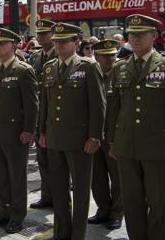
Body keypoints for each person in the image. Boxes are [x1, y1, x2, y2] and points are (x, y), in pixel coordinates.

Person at [38, 22, 106, 240]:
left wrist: (95, 136)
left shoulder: (87, 66)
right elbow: (45, 104)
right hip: (54, 138)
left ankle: (77, 235)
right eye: (56, 40)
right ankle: (61, 232)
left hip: (80, 140)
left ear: (76, 42)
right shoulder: (49, 67)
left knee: (81, 192)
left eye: (64, 40)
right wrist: (42, 131)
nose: (58, 44)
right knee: (58, 190)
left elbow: (98, 105)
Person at [108, 14, 165, 240]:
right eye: (132, 34)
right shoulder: (120, 67)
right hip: (126, 144)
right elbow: (114, 108)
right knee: (132, 201)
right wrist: (112, 141)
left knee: (159, 201)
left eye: (141, 34)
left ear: (154, 36)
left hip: (157, 145)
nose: (136, 38)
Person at [0, 28, 38, 234]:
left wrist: (29, 130)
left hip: (16, 133)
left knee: (16, 176)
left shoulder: (23, 70)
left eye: (2, 43)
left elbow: (32, 104)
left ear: (13, 46)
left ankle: (17, 215)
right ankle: (3, 211)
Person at [89, 39, 123, 230]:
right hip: (95, 135)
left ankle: (117, 213)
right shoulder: (91, 74)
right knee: (97, 177)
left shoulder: (120, 74)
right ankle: (103, 210)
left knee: (118, 178)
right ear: (96, 56)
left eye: (112, 54)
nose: (109, 59)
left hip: (113, 136)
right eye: (104, 55)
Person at [28, 19, 57, 210]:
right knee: (43, 160)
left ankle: (60, 197)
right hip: (40, 115)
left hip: (57, 115)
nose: (41, 37)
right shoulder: (36, 57)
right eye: (39, 34)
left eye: (45, 33)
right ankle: (47, 196)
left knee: (58, 162)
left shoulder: (62, 54)